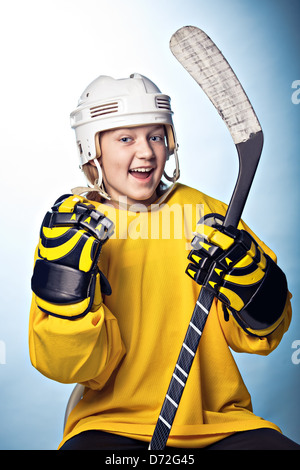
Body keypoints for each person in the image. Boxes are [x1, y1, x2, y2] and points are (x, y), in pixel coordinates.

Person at [29, 73, 300, 450]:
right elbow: (69, 367)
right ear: (92, 150)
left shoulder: (207, 214)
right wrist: (66, 301)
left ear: (170, 143)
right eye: (125, 138)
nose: (145, 152)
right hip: (111, 427)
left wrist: (255, 287)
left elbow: (263, 336)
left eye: (155, 136)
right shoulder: (74, 229)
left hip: (221, 424)